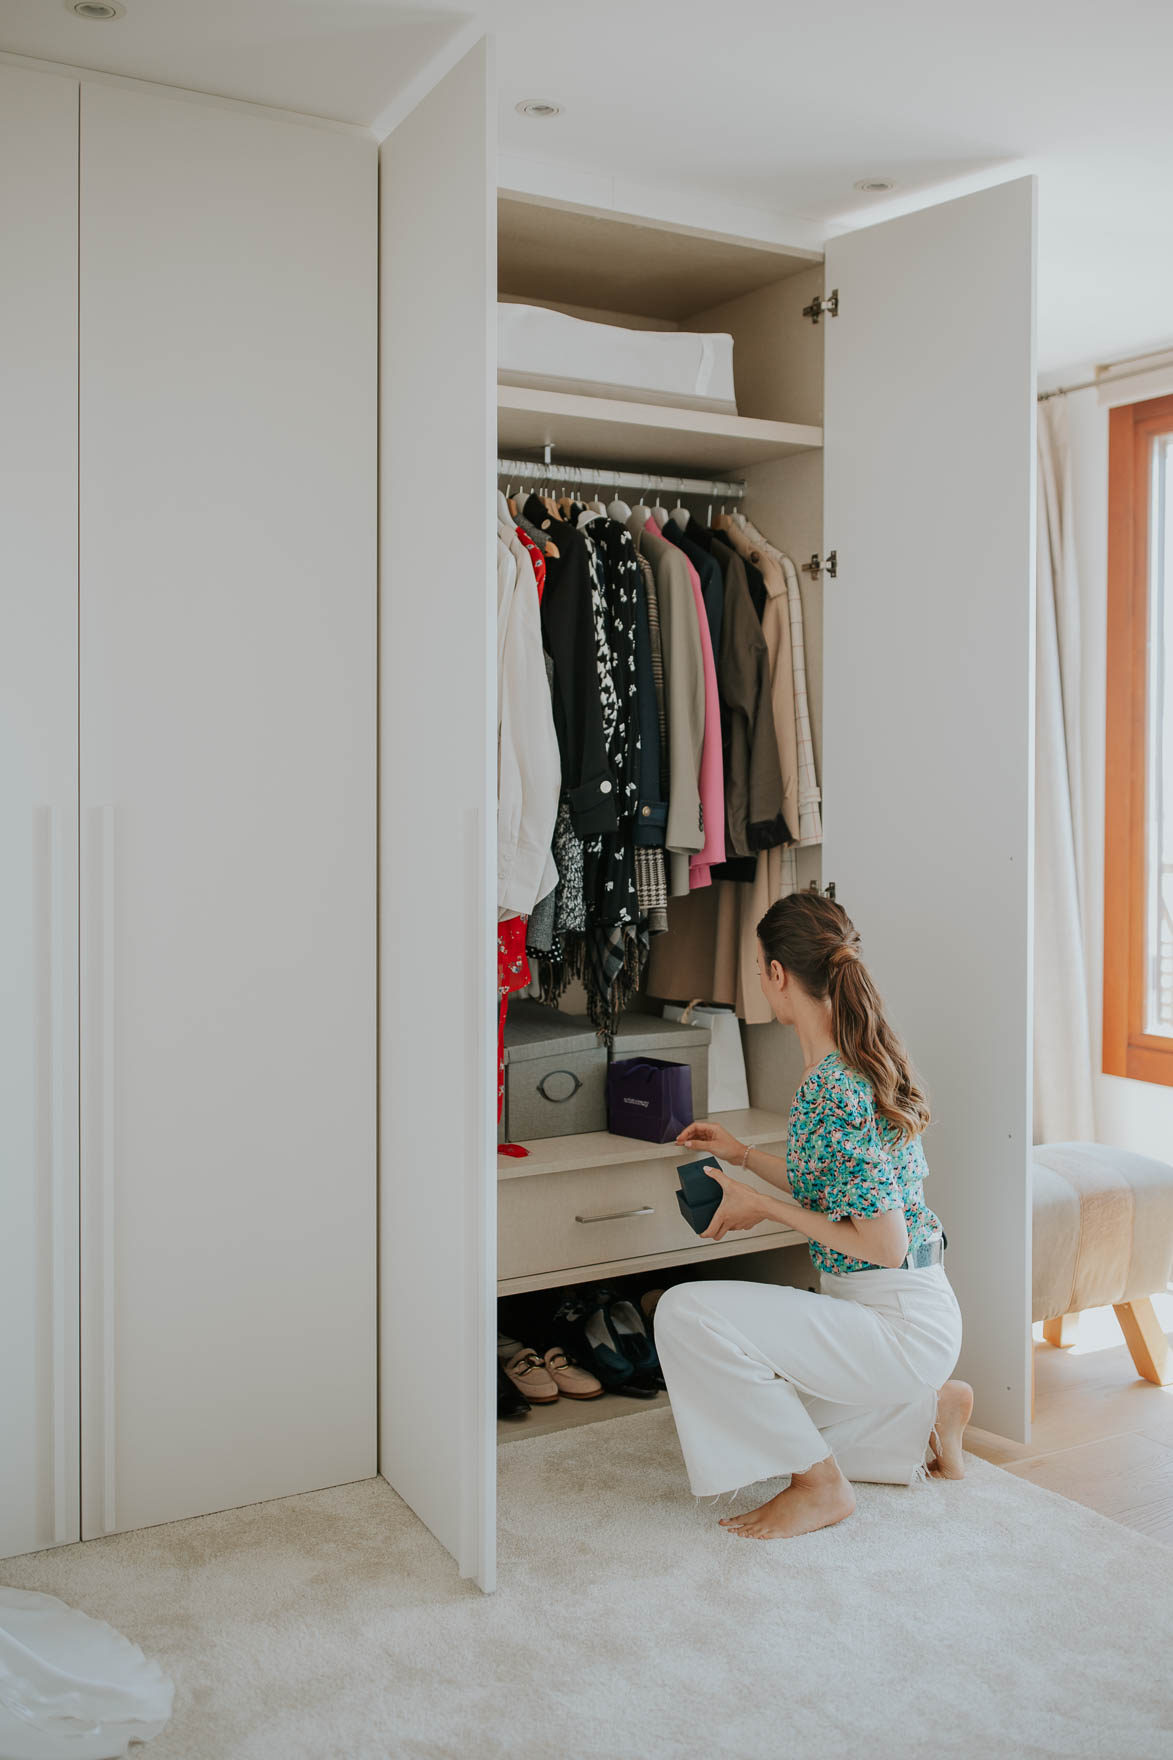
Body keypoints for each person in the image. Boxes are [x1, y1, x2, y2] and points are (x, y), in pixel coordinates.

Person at [655, 890, 973, 1541]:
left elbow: (881, 1245)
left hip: (895, 1316)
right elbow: (833, 1191)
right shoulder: (842, 1065)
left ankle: (820, 1487)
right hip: (894, 1310)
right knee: (755, 1415)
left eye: (756, 966)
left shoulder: (833, 1086)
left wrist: (762, 1208)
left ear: (776, 974)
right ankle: (930, 1412)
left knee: (683, 1312)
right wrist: (740, 1155)